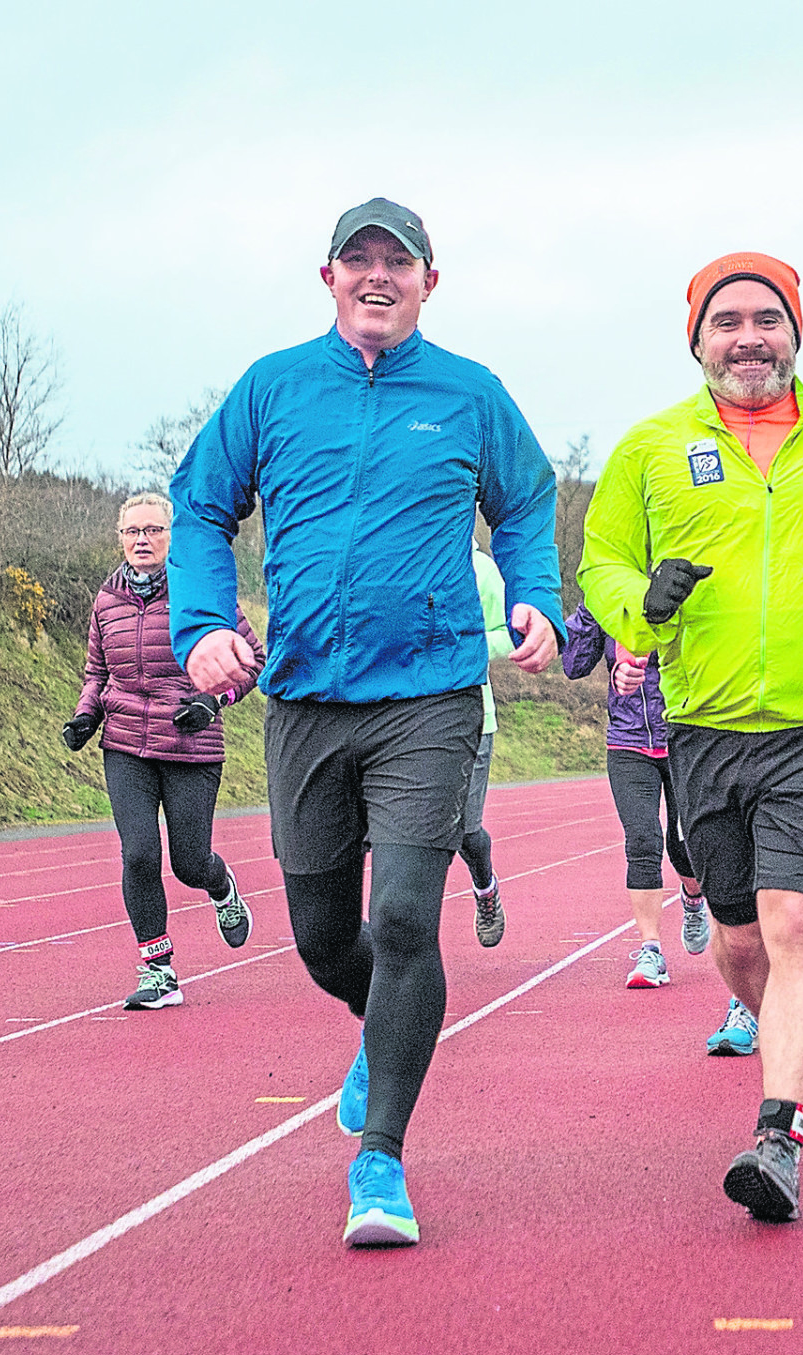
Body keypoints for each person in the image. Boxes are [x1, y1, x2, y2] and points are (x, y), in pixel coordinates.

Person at [168, 198, 563, 1248]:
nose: (379, 276)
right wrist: (202, 622)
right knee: (325, 940)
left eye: (401, 261)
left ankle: (379, 1158)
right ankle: (376, 1029)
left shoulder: (470, 393)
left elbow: (526, 499)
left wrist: (533, 593)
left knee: (402, 922)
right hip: (302, 698)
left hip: (428, 695)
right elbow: (202, 505)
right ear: (329, 277)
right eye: (360, 260)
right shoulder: (272, 387)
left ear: (432, 282)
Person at [578, 251, 803, 1222]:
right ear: (696, 340)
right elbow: (602, 562)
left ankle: (780, 1131)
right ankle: (782, 1021)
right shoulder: (651, 448)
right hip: (704, 724)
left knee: (796, 925)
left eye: (766, 320)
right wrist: (638, 605)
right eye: (726, 322)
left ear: (796, 332)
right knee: (741, 941)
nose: (748, 338)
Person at [63, 492, 263, 1009]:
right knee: (139, 854)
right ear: (120, 537)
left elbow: (252, 659)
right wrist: (87, 714)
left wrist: (211, 702)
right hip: (126, 743)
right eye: (133, 532)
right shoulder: (107, 600)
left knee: (189, 862)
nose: (143, 540)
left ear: (171, 536)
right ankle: (158, 972)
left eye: (153, 530)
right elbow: (97, 672)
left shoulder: (200, 591)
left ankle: (221, 887)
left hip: (189, 742)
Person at [560, 600, 712, 991]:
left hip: (683, 736)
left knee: (683, 844)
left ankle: (693, 899)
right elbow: (574, 665)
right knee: (642, 840)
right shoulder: (608, 598)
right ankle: (651, 949)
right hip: (627, 743)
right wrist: (591, 609)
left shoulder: (684, 590)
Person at [461, 546, 515, 948]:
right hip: (407, 720)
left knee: (465, 830)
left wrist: (464, 642)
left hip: (474, 720)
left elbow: (506, 637)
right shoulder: (404, 555)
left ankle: (486, 890)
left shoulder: (482, 569)